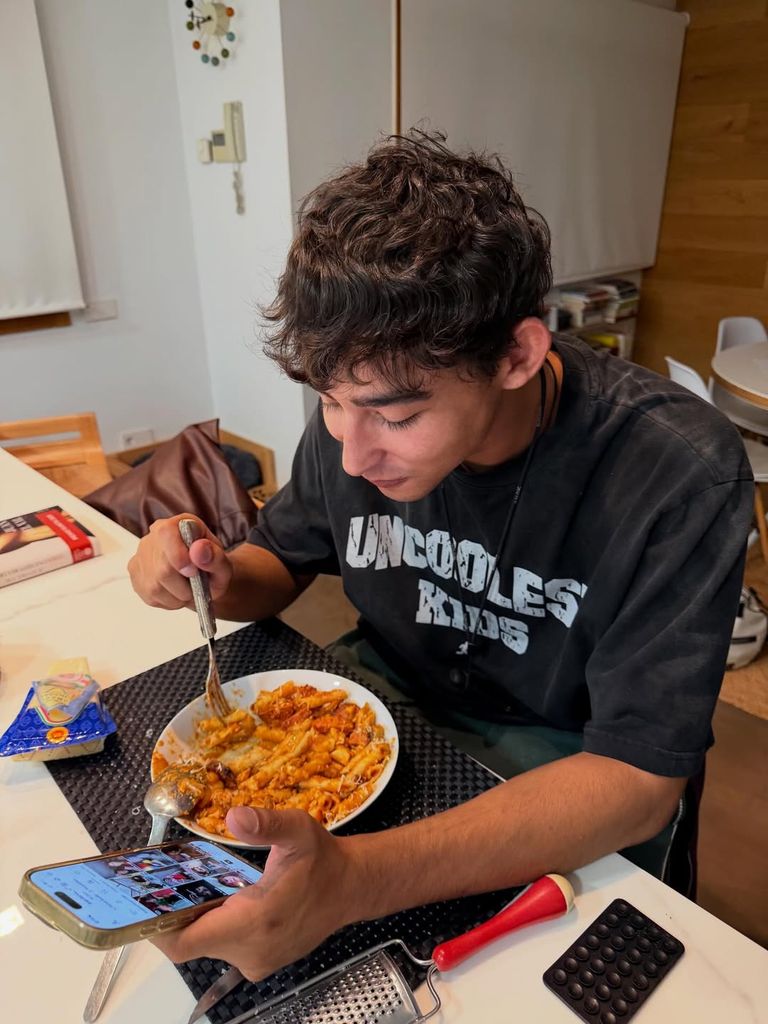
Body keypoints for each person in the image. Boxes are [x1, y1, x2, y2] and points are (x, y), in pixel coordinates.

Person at [128, 131, 753, 981]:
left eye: (393, 417)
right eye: (330, 404)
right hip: (384, 722)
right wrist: (215, 575)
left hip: (568, 759)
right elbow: (282, 560)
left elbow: (639, 776)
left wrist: (351, 884)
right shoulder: (359, 404)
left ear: (517, 356)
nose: (352, 454)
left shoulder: (676, 473)